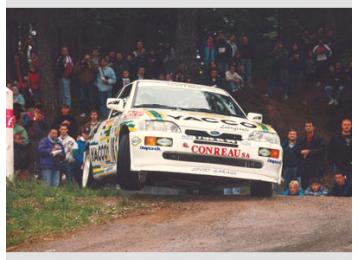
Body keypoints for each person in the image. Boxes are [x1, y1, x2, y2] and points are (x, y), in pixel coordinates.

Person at [296, 121, 325, 190]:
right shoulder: (301, 139)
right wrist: (301, 152)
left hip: (315, 166)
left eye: (310, 126)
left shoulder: (319, 138)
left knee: (315, 185)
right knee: (304, 185)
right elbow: (296, 151)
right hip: (304, 166)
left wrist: (309, 152)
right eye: (306, 126)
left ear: (313, 128)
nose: (308, 128)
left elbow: (322, 150)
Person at [327, 118, 352, 186]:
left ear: (351, 126)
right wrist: (331, 162)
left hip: (351, 165)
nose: (346, 126)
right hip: (338, 165)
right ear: (341, 125)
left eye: (348, 125)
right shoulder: (335, 138)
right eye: (345, 124)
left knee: (351, 183)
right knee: (337, 183)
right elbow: (330, 151)